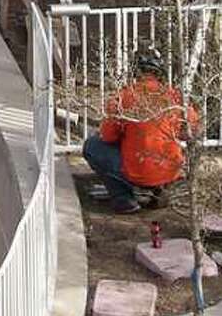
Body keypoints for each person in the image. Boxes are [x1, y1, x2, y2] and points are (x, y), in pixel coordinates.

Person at [82, 56, 196, 211]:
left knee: (92, 146)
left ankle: (124, 199)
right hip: (170, 171)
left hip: (137, 171)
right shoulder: (175, 96)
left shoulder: (124, 96)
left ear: (135, 72)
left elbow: (108, 136)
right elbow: (192, 130)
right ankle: (159, 188)